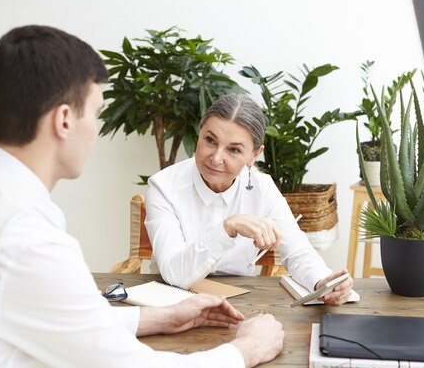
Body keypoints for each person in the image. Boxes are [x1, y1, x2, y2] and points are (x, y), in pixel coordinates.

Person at [0, 25, 284, 368]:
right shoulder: (26, 240)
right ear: (64, 121)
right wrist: (246, 348)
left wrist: (162, 318)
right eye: (95, 113)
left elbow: (54, 315)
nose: (96, 130)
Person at [145, 94, 355, 306]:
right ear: (200, 134)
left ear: (254, 155)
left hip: (238, 304)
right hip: (171, 302)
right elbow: (174, 274)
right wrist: (228, 227)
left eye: (234, 149)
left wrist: (322, 282)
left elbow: (298, 252)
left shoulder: (262, 188)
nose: (216, 158)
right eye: (210, 140)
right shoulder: (163, 187)